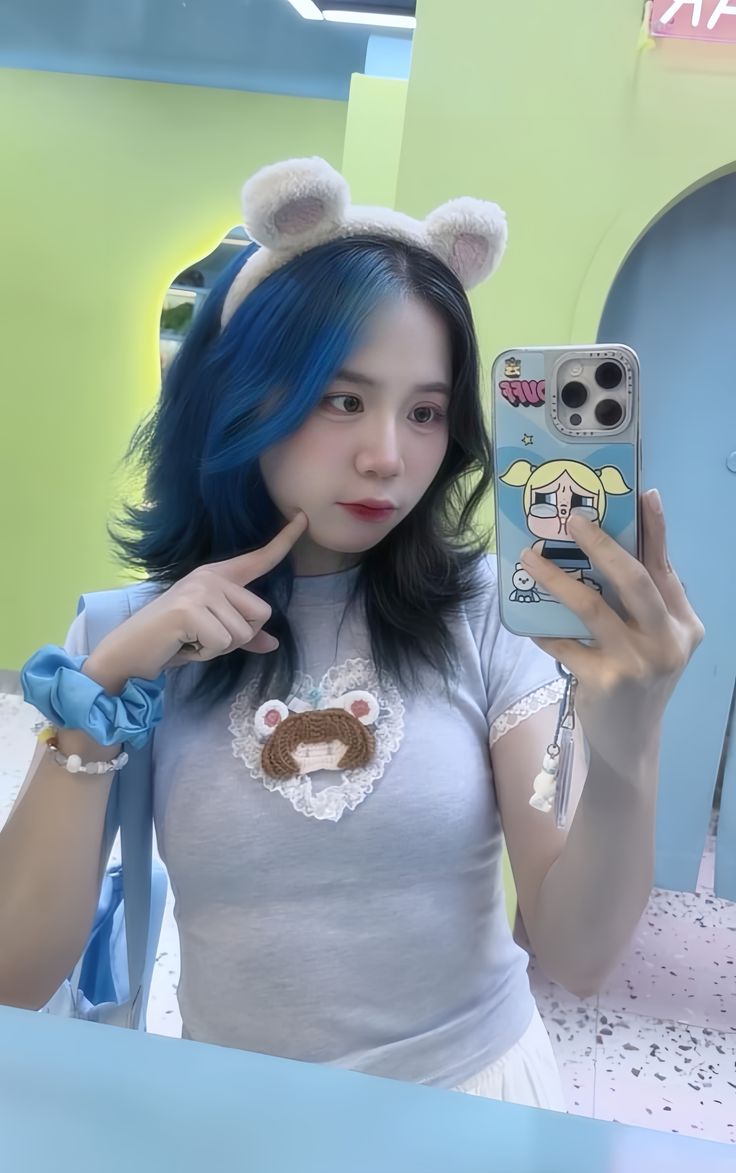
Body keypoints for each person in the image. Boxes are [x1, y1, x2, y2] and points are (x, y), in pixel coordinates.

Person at [0, 158, 703, 1110]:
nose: (388, 456)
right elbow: (14, 974)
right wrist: (105, 688)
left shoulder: (482, 613)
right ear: (241, 395)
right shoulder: (130, 636)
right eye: (342, 399)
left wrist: (627, 746)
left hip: (472, 1105)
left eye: (425, 411)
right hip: (238, 1121)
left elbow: (579, 953)